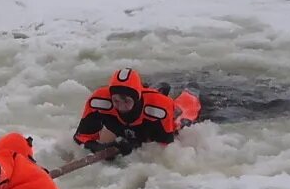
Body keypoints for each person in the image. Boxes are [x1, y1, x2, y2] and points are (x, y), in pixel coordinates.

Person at [72, 68, 201, 158]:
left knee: (182, 119)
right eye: (116, 101)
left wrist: (136, 144)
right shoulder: (98, 101)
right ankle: (155, 88)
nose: (121, 107)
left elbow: (164, 145)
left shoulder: (160, 109)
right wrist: (99, 148)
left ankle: (191, 90)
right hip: (127, 123)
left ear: (136, 99)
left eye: (126, 101)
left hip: (152, 117)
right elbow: (81, 137)